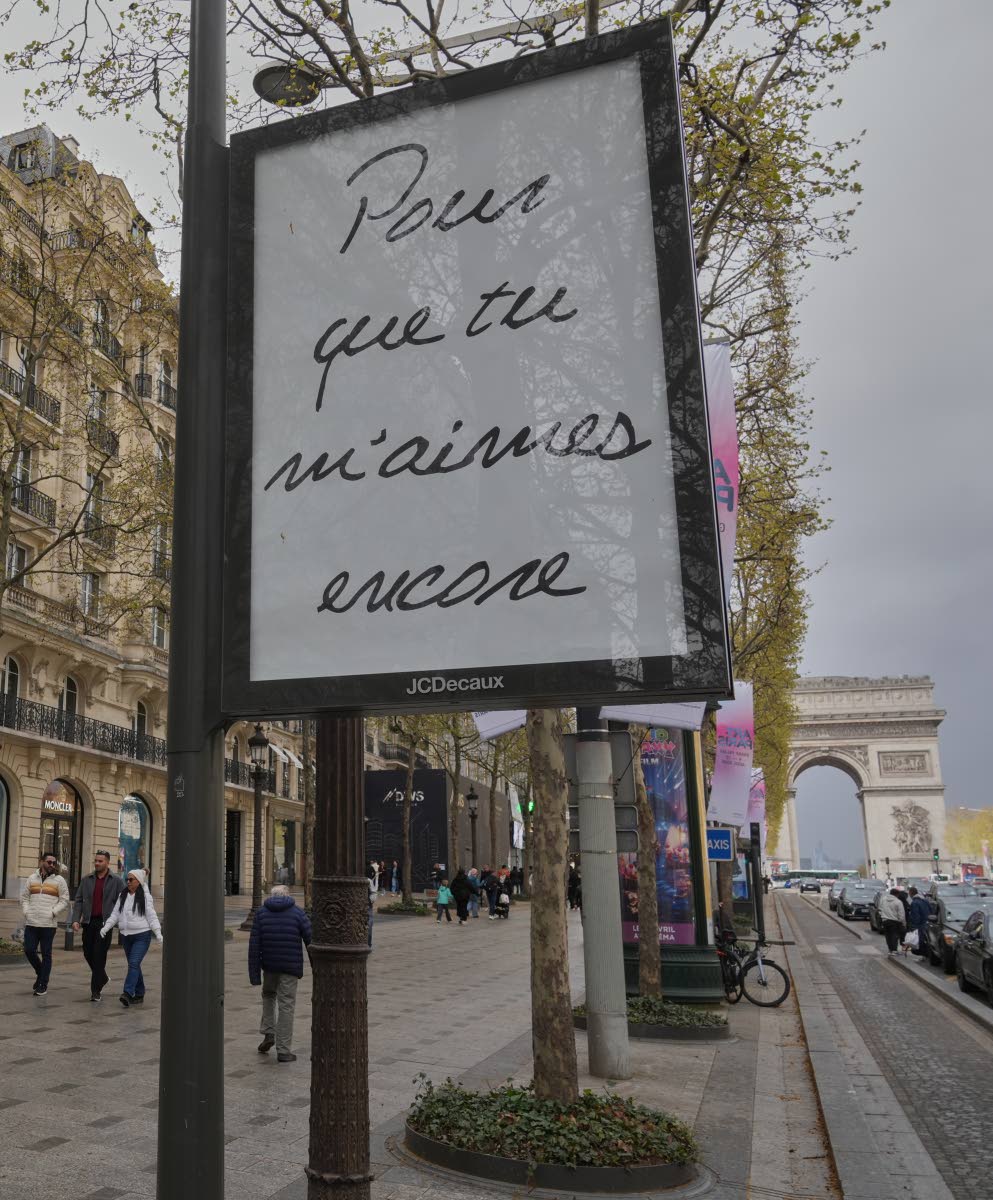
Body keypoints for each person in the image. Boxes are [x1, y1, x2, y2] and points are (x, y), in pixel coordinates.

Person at [248, 884, 313, 1063]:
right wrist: (317, 969)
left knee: (269, 996)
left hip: (269, 966)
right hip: (290, 968)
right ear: (288, 895)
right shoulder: (298, 913)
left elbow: (254, 945)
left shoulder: (261, 913)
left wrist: (254, 974)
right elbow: (311, 941)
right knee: (286, 1004)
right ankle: (284, 1050)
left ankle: (269, 1032)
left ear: (272, 895)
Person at [100, 868, 162, 1006]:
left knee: (133, 963)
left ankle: (127, 993)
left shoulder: (145, 897)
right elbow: (115, 914)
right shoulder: (123, 895)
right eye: (127, 879)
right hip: (126, 937)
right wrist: (106, 927)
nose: (128, 882)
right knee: (134, 965)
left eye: (131, 879)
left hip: (142, 936)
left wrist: (158, 933)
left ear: (139, 882)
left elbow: (152, 916)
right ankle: (139, 993)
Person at [72, 850, 126, 1001]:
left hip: (105, 924)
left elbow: (123, 901)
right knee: (87, 952)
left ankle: (95, 991)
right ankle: (101, 977)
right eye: (96, 860)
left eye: (100, 861)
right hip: (89, 922)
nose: (97, 863)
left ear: (108, 862)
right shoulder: (87, 879)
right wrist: (76, 919)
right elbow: (79, 900)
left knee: (99, 955)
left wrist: (118, 920)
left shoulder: (116, 880)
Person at [20, 851, 70, 996]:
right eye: (49, 862)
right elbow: (24, 898)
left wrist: (53, 912)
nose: (52, 865)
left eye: (54, 863)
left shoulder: (59, 880)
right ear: (42, 862)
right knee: (29, 950)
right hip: (32, 922)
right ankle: (41, 972)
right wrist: (26, 912)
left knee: (47, 954)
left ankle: (43, 984)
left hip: (48, 924)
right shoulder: (31, 878)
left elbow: (65, 899)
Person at [878, 887, 907, 955]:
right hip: (894, 921)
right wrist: (903, 923)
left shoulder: (884, 899)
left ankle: (890, 949)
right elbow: (901, 914)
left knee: (888, 936)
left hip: (885, 920)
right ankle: (894, 950)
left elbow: (880, 908)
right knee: (894, 935)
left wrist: (883, 916)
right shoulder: (898, 902)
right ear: (897, 894)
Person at [905, 886, 930, 958]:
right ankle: (926, 955)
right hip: (927, 923)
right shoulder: (925, 900)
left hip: (920, 925)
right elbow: (931, 910)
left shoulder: (915, 902)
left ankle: (924, 955)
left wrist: (913, 927)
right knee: (926, 940)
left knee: (920, 941)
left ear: (910, 893)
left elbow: (915, 916)